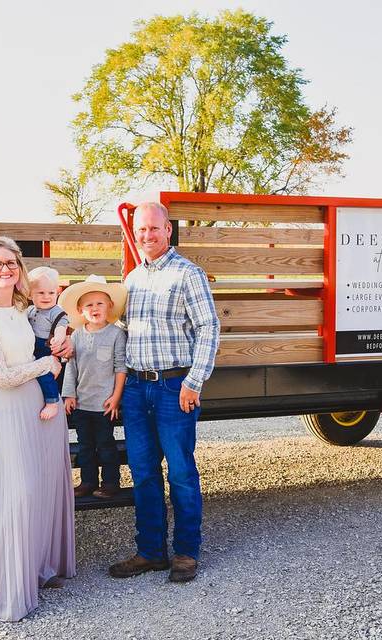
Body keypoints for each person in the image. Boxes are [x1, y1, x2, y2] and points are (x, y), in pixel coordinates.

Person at [0, 236, 75, 622]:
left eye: (11, 263)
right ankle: (7, 586)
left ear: (20, 269)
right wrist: (46, 367)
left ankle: (40, 569)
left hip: (43, 405)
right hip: (12, 407)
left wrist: (64, 348)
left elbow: (52, 336)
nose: (5, 269)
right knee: (19, 491)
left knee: (46, 485)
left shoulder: (25, 309)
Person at [109, 202, 220, 584]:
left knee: (182, 473)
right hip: (137, 388)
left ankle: (186, 552)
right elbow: (119, 330)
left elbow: (209, 327)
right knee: (142, 472)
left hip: (175, 386)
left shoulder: (187, 273)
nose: (147, 236)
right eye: (141, 230)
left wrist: (194, 381)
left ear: (168, 230)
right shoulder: (132, 279)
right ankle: (151, 551)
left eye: (154, 229)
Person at [58, 274, 128, 499]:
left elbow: (121, 368)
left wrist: (116, 397)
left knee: (106, 445)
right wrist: (68, 394)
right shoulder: (77, 336)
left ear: (109, 306)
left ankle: (110, 483)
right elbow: (71, 367)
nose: (95, 308)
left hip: (105, 404)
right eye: (89, 304)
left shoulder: (116, 334)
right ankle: (88, 481)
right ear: (80, 310)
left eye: (100, 303)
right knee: (85, 446)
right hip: (82, 403)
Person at [27, 266, 70, 421]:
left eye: (51, 293)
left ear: (57, 293)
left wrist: (59, 338)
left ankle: (52, 401)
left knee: (44, 373)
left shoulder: (56, 311)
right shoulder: (30, 310)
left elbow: (61, 326)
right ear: (31, 294)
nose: (47, 297)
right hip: (31, 347)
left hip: (46, 347)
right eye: (41, 293)